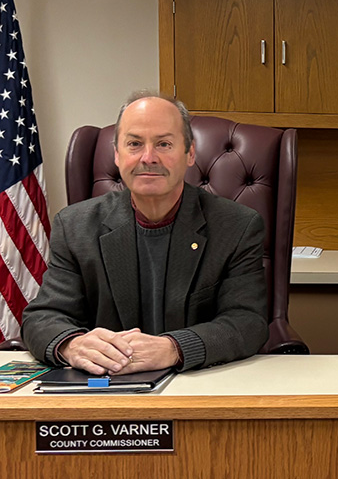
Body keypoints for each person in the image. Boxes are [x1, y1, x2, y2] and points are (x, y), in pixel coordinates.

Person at [23, 92, 267, 374]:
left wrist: (174, 348)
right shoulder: (75, 225)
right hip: (103, 386)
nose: (148, 158)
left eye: (164, 144)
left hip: (197, 381)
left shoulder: (237, 225)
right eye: (134, 144)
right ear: (117, 154)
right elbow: (43, 317)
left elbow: (247, 321)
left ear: (189, 153)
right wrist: (72, 345)